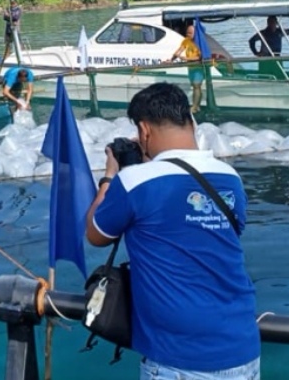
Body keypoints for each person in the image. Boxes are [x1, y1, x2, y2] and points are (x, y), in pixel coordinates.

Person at [85, 82, 260, 380]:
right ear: (190, 122)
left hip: (176, 357)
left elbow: (96, 233)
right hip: (242, 349)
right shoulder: (230, 178)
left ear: (144, 131)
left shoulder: (134, 181)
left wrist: (109, 177)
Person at [171, 21, 204, 113]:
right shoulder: (186, 41)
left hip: (198, 67)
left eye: (190, 33)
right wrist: (171, 59)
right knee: (194, 86)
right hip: (190, 67)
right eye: (187, 32)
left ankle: (195, 106)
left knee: (197, 86)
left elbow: (200, 57)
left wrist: (187, 58)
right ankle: (196, 106)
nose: (188, 34)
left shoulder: (199, 42)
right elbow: (179, 50)